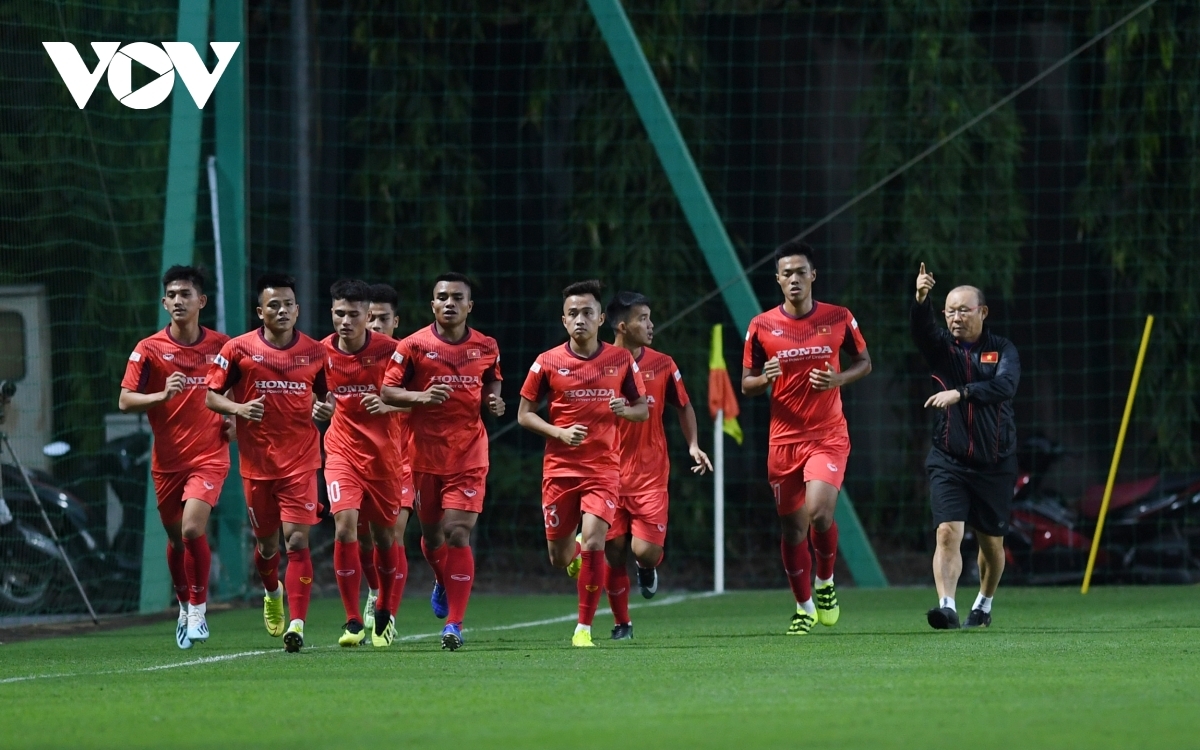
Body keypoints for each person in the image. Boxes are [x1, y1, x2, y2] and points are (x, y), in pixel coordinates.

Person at [742, 240, 872, 635]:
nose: (794, 279)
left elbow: (864, 362)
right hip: (783, 441)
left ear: (813, 275)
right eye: (787, 273)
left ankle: (826, 581)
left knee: (819, 512)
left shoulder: (838, 317)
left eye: (801, 271)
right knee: (793, 528)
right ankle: (804, 607)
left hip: (827, 434)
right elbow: (746, 384)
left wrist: (838, 379)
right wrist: (765, 377)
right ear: (778, 279)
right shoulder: (760, 326)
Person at [517, 280, 648, 648]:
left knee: (595, 542)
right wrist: (558, 433)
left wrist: (627, 409)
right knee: (559, 557)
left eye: (587, 312)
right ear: (563, 320)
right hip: (558, 471)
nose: (580, 319)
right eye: (573, 313)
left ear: (601, 318)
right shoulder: (546, 362)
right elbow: (524, 415)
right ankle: (571, 554)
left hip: (603, 469)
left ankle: (583, 628)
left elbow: (642, 409)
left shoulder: (620, 360)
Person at [205, 273, 329, 652]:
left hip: (301, 460)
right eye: (273, 305)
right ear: (260, 311)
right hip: (257, 463)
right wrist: (239, 407)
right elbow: (212, 397)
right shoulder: (238, 350)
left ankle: (297, 623)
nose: (282, 310)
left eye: (288, 304)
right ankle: (272, 591)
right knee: (267, 546)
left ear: (298, 310)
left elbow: (327, 398)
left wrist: (326, 409)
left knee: (296, 540)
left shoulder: (315, 352)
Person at [381, 273, 503, 651]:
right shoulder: (412, 345)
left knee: (457, 532)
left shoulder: (486, 345)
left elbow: (493, 380)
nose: (449, 303)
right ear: (432, 304)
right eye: (442, 297)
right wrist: (421, 398)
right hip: (421, 456)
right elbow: (388, 390)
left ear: (470, 306)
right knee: (432, 536)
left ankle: (454, 624)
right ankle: (441, 578)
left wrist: (493, 401)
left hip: (468, 454)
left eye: (457, 297)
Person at [119, 266, 231, 650]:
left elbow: (240, 390)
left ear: (201, 301)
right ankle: (183, 604)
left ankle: (199, 609)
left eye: (186, 294)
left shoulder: (223, 346)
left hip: (210, 456)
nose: (178, 300)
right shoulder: (148, 348)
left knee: (192, 529)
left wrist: (233, 419)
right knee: (175, 539)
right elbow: (125, 399)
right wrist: (160, 396)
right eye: (172, 294)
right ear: (164, 302)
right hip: (166, 461)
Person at [911, 263, 1020, 629]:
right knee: (947, 532)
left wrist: (961, 393)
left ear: (983, 312)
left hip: (995, 461)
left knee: (991, 545)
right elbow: (922, 330)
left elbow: (1004, 387)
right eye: (949, 311)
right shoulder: (942, 348)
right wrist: (922, 299)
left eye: (964, 310)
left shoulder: (1003, 350)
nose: (955, 318)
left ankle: (984, 604)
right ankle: (947, 606)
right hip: (949, 459)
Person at [603, 291, 712, 640]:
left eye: (651, 317)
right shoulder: (597, 364)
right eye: (643, 318)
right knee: (613, 550)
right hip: (606, 475)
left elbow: (683, 406)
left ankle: (647, 568)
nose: (651, 325)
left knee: (644, 551)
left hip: (650, 474)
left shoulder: (663, 364)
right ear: (622, 326)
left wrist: (693, 444)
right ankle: (622, 623)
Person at [319, 279, 411, 648]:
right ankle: (353, 619)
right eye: (339, 313)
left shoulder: (394, 352)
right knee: (345, 529)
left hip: (385, 459)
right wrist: (318, 408)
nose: (345, 321)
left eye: (354, 314)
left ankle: (385, 607)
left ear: (367, 316)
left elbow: (425, 401)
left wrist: (391, 404)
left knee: (384, 537)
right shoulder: (319, 352)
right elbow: (312, 392)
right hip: (341, 453)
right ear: (331, 313)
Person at [355, 283, 415, 634]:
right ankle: (374, 590)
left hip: (403, 461)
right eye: (371, 318)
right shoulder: (349, 356)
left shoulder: (408, 358)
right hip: (361, 462)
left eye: (383, 319)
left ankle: (386, 611)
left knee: (393, 534)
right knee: (363, 538)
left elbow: (429, 400)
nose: (375, 325)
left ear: (397, 321)